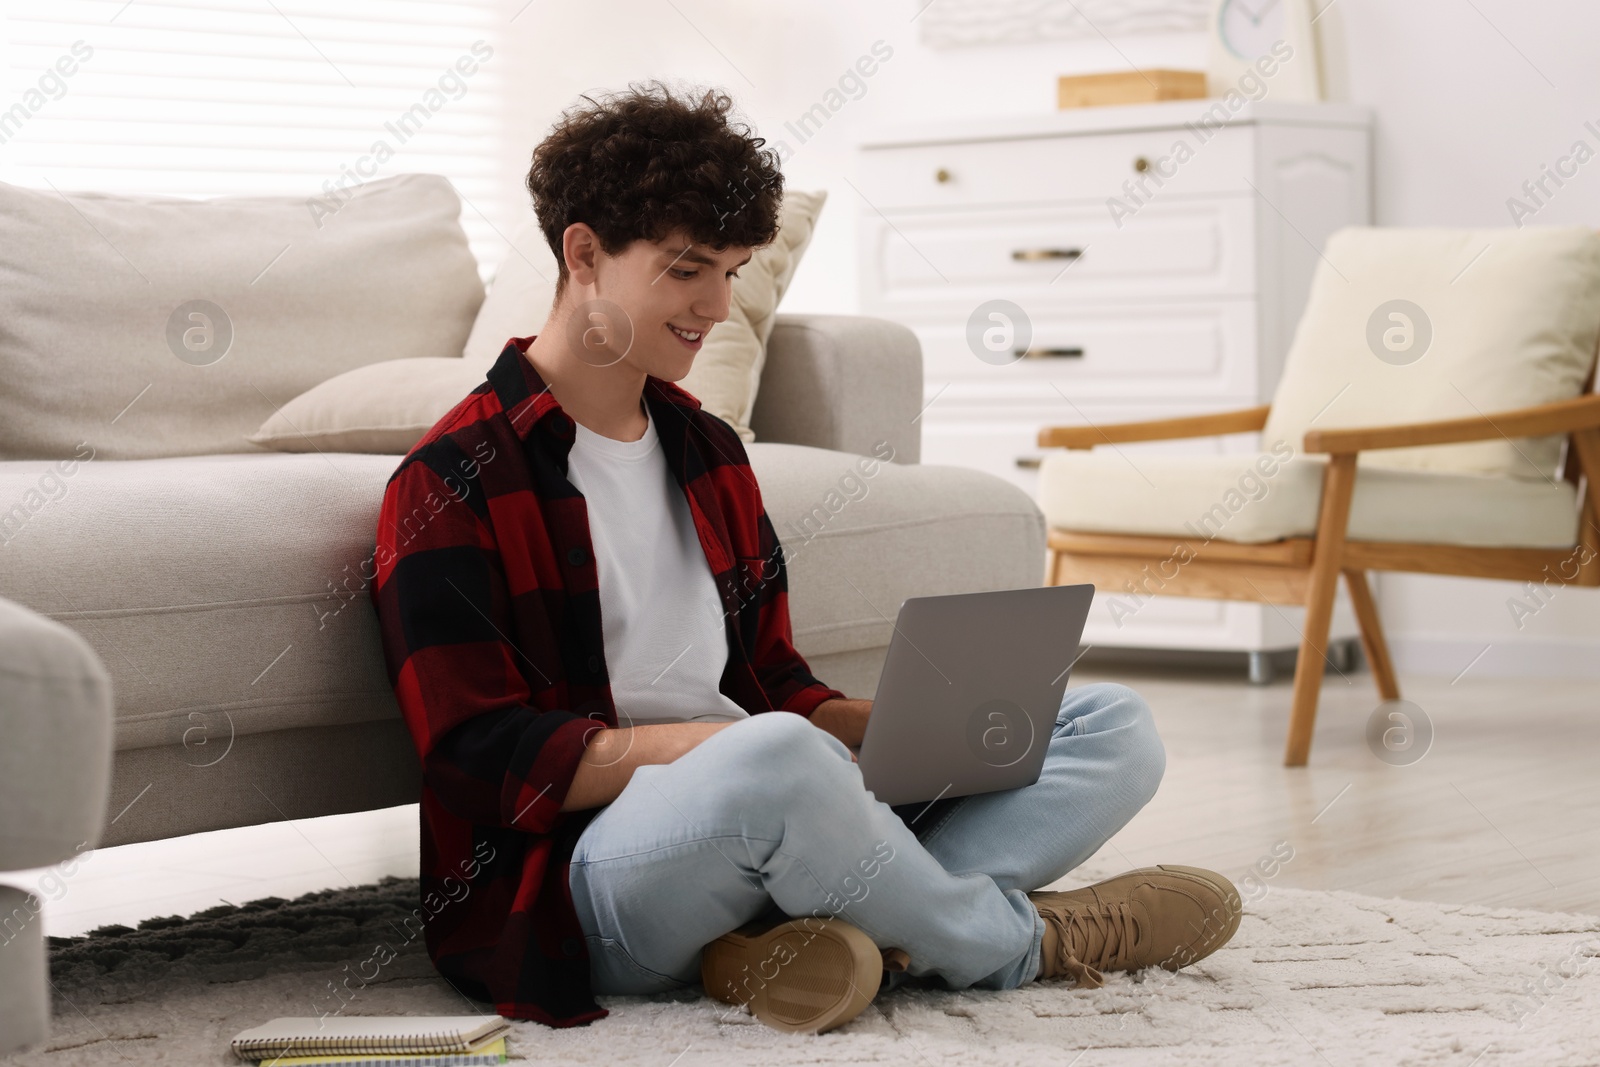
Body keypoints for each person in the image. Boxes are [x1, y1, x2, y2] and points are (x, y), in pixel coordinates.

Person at [370, 82, 1242, 1035]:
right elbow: (477, 758)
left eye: (733, 272)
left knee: (1109, 721)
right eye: (687, 269)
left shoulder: (706, 451)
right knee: (781, 762)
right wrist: (732, 747)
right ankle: (1025, 943)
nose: (716, 306)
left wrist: (910, 724)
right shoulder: (452, 479)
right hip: (589, 876)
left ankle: (818, 935)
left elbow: (773, 683)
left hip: (770, 801)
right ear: (584, 254)